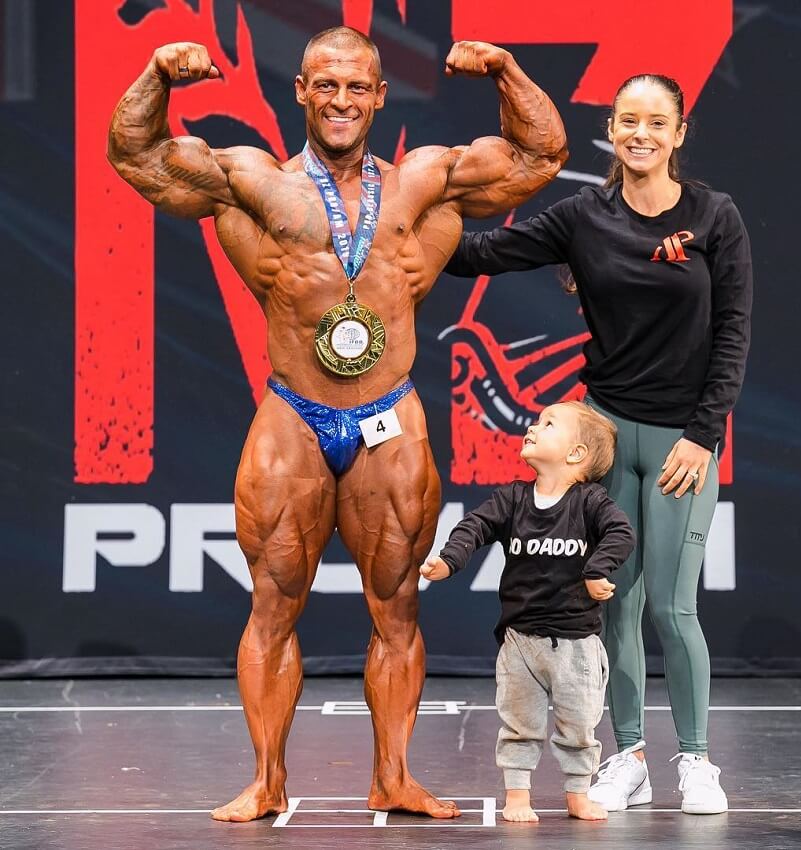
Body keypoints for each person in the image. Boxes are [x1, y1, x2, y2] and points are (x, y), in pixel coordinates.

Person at [107, 28, 567, 822]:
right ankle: (266, 779)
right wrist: (155, 72)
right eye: (326, 85)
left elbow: (539, 156)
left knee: (396, 607)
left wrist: (505, 68)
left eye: (358, 87)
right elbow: (137, 157)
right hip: (294, 412)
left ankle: (393, 774)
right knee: (274, 599)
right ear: (301, 92)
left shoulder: (425, 180)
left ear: (381, 95)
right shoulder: (249, 179)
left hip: (389, 412)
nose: (342, 100)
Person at [444, 74, 753, 815]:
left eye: (657, 122)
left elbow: (733, 334)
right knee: (612, 604)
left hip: (683, 442)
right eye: (627, 121)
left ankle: (698, 761)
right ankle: (629, 755)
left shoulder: (715, 216)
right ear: (612, 131)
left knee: (673, 610)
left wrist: (703, 436)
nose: (641, 133)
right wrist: (404, 211)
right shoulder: (584, 215)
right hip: (607, 436)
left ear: (679, 134)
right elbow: (480, 254)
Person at [420, 401, 635, 823]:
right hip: (520, 640)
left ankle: (578, 792)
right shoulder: (513, 498)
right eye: (537, 422)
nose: (533, 428)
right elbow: (474, 526)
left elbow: (620, 533)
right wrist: (450, 560)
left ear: (576, 455)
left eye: (548, 424)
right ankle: (517, 795)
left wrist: (596, 570)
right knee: (519, 723)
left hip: (577, 643)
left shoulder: (590, 502)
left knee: (579, 727)